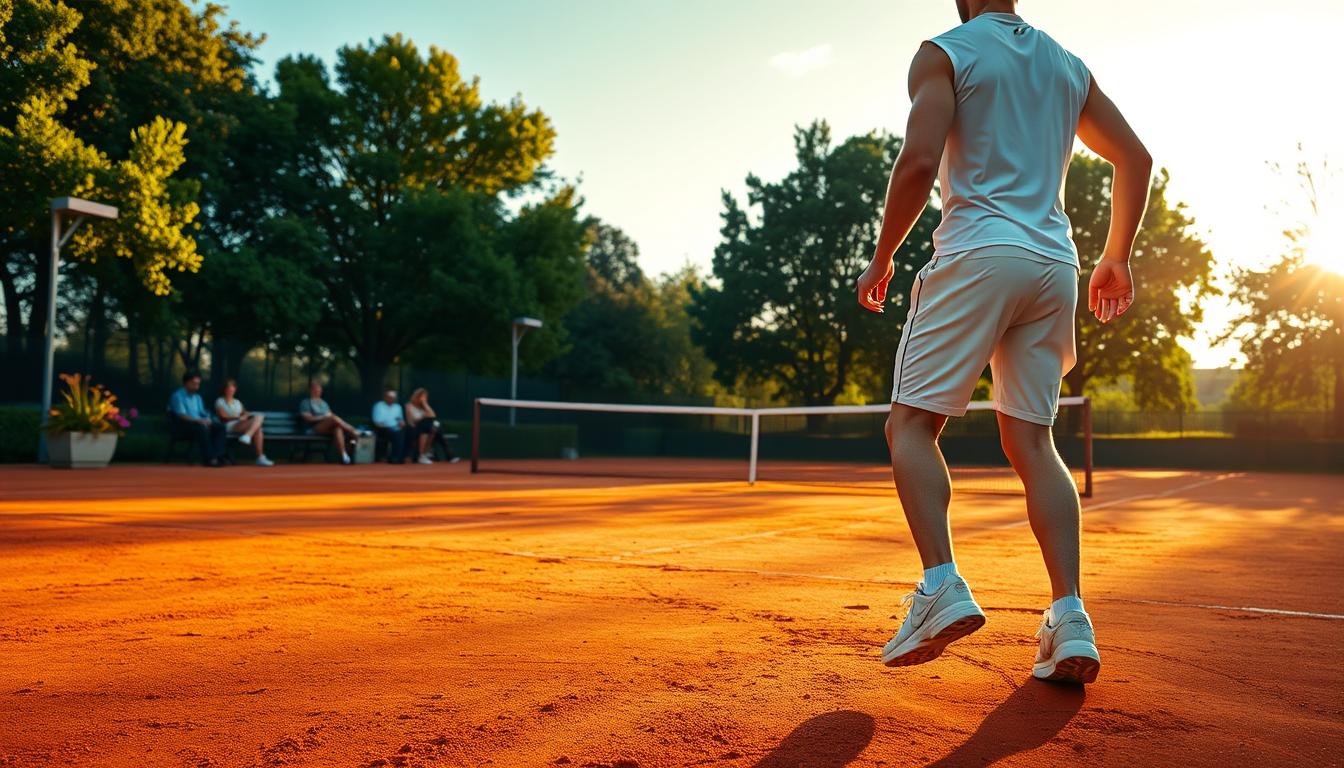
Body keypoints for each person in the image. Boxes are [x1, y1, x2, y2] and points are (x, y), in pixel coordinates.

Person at [855, 0, 1150, 684]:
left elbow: (920, 160)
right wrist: (1117, 256)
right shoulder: (1067, 65)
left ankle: (939, 585)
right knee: (1033, 441)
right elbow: (1134, 156)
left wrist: (882, 257)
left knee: (911, 424)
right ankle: (1070, 615)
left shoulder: (945, 51)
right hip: (1054, 267)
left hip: (979, 254)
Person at [168, 370, 227, 467]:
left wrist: (208, 419)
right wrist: (198, 421)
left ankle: (218, 456)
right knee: (201, 428)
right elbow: (181, 415)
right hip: (182, 426)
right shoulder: (177, 396)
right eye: (194, 383)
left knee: (220, 427)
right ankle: (209, 459)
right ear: (186, 383)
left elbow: (202, 413)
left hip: (198, 424)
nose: (197, 386)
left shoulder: (197, 397)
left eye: (198, 384)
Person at [298, 379, 361, 464]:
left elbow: (330, 416)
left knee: (337, 428)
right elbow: (308, 419)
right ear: (310, 390)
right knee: (333, 419)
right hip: (312, 429)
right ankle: (353, 431)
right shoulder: (305, 403)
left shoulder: (324, 403)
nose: (317, 391)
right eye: (315, 389)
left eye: (319, 389)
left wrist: (328, 418)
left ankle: (344, 456)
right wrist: (323, 417)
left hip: (326, 428)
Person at [215, 379, 273, 467]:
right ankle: (251, 441)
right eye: (229, 389)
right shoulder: (219, 401)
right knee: (258, 427)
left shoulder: (238, 402)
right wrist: (238, 417)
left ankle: (259, 456)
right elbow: (223, 416)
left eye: (232, 389)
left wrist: (247, 415)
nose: (231, 391)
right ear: (224, 389)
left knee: (259, 424)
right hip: (228, 425)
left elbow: (244, 412)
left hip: (240, 424)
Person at [404, 388, 459, 465]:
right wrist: (424, 416)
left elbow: (433, 415)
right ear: (417, 396)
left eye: (425, 397)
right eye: (422, 397)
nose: (424, 399)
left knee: (435, 425)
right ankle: (449, 455)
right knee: (433, 425)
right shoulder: (409, 405)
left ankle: (423, 455)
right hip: (414, 427)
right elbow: (412, 420)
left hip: (426, 428)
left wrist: (424, 403)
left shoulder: (423, 406)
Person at [371, 389, 410, 464]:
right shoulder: (378, 406)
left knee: (406, 433)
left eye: (393, 397)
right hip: (382, 429)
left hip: (396, 429)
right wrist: (387, 426)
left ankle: (401, 457)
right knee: (396, 434)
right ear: (385, 397)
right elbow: (376, 422)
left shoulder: (398, 407)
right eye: (390, 397)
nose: (392, 399)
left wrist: (402, 424)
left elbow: (400, 420)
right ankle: (395, 458)